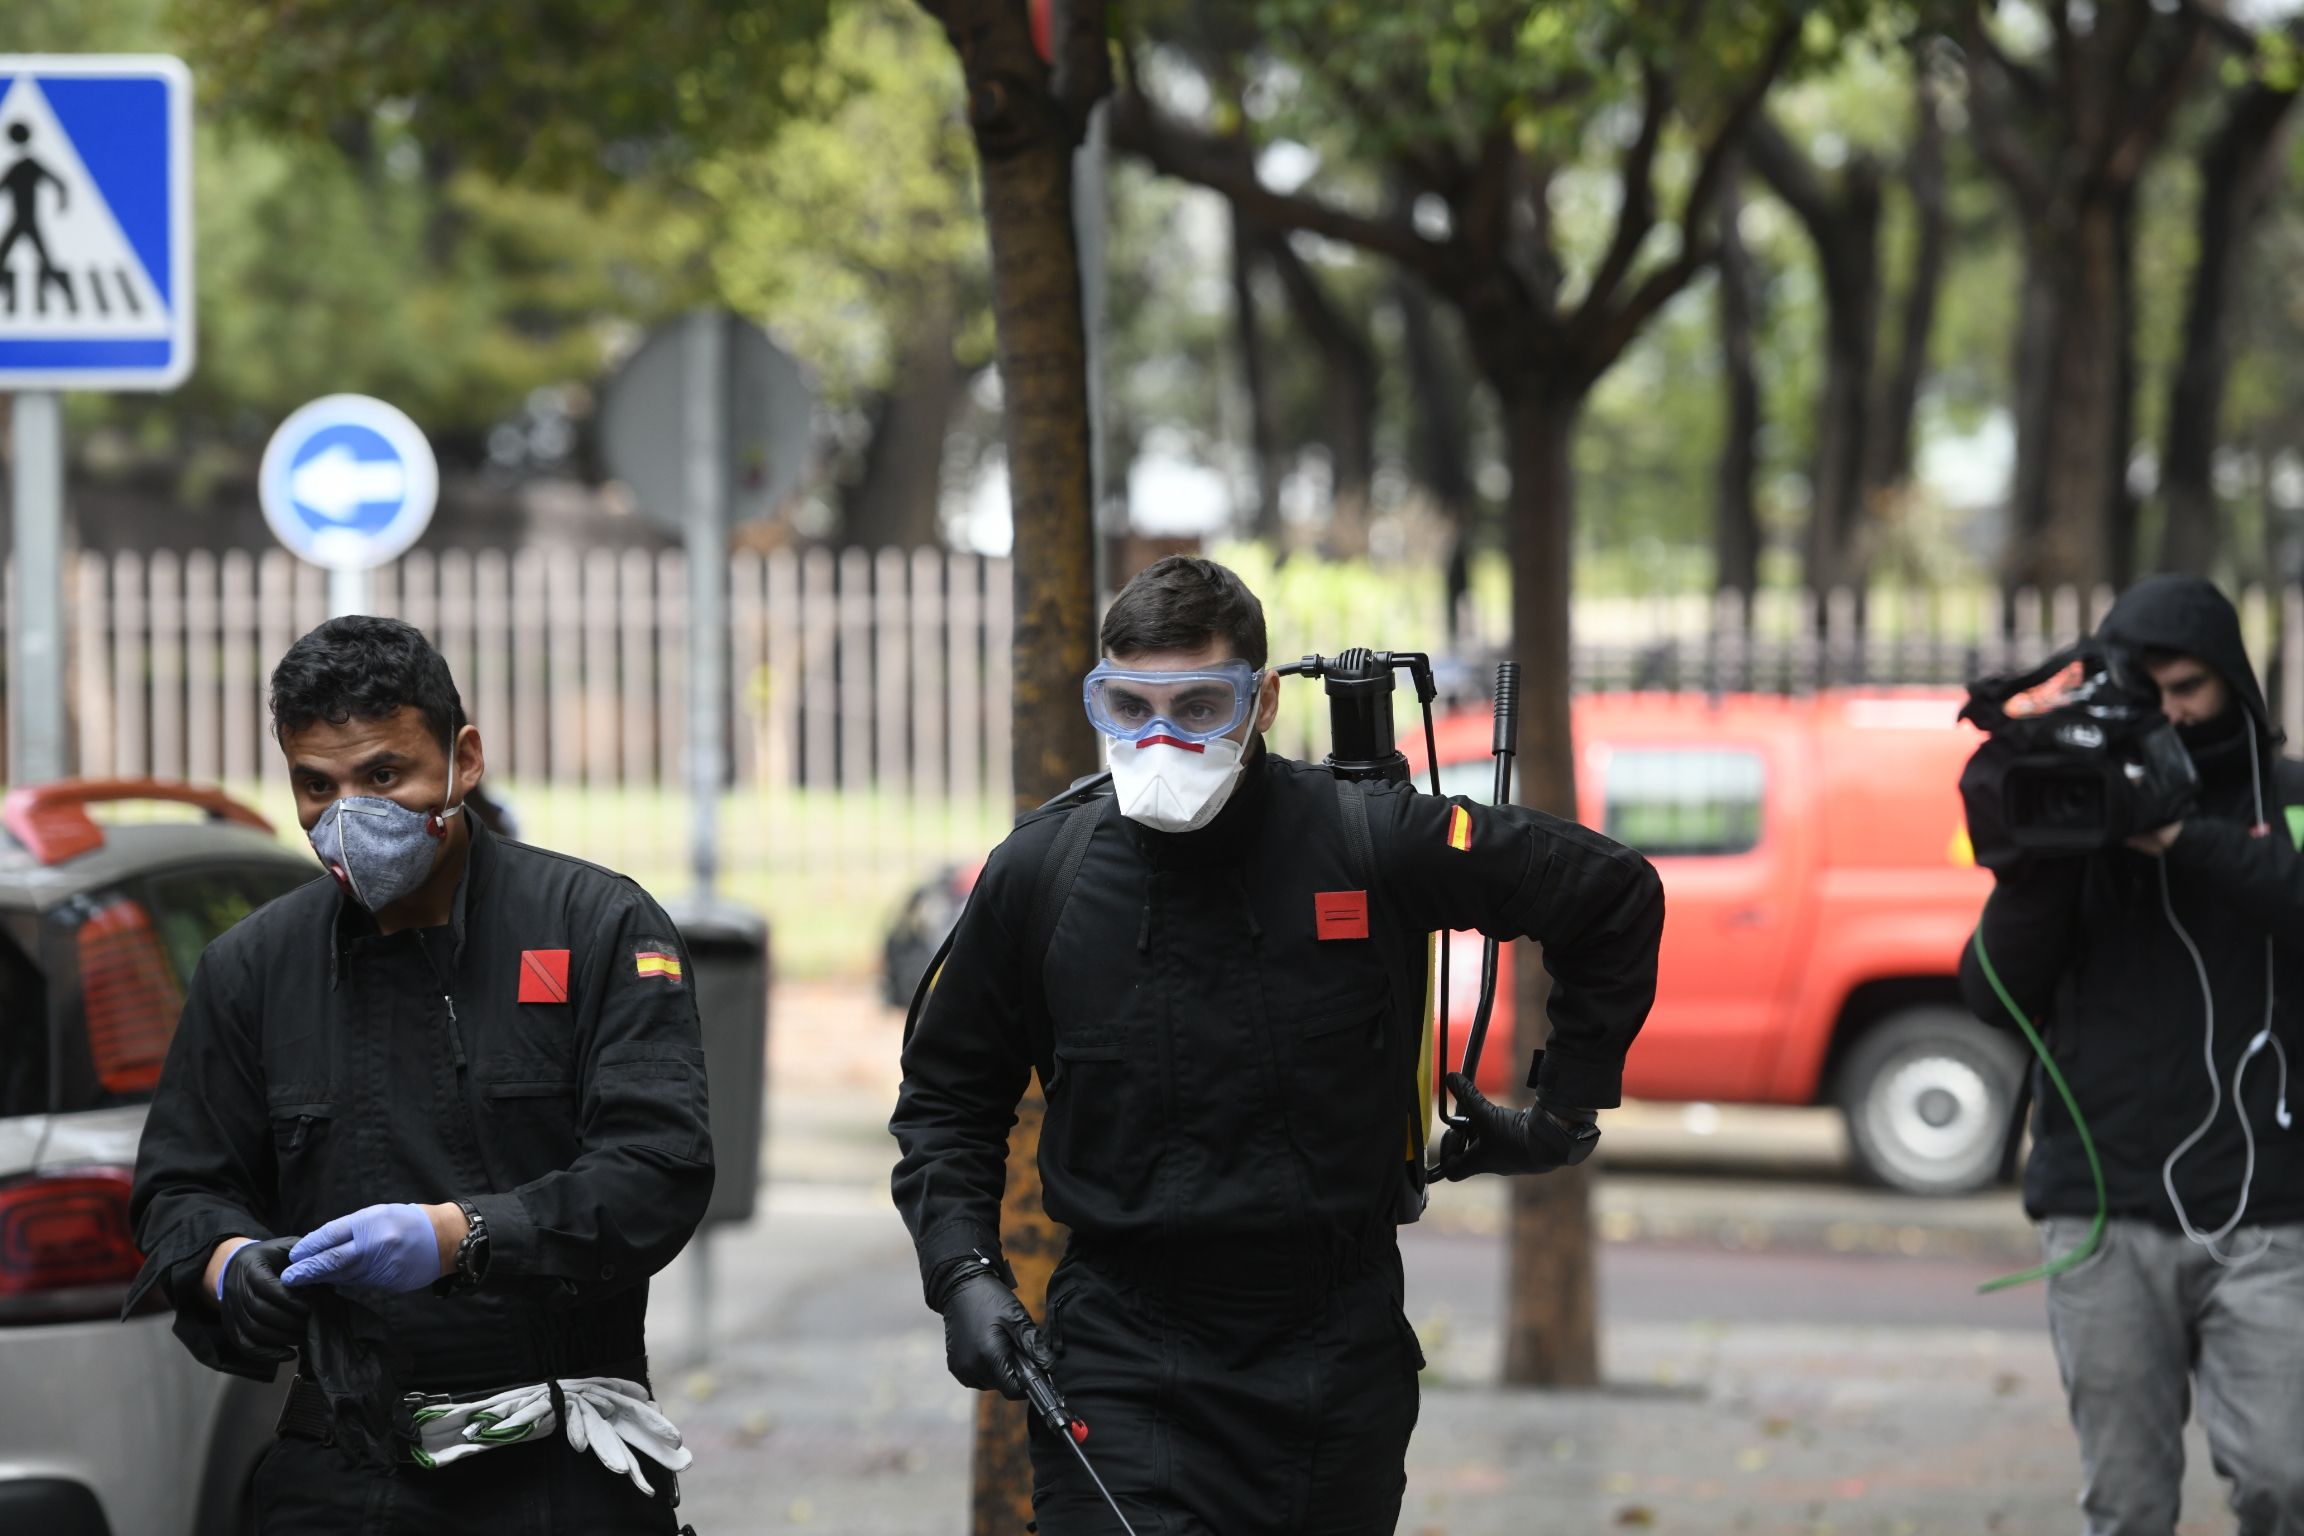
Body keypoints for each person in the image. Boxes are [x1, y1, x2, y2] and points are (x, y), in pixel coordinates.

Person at [889, 555, 1666, 1534]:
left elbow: (1611, 896)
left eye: (1198, 706)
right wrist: (962, 1271)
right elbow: (948, 1098)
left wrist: (1561, 1113)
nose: (1160, 739)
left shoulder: (1370, 841)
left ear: (1261, 701)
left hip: (1331, 1364)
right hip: (1124, 1358)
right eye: (1128, 707)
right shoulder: (1043, 873)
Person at [128, 616, 714, 1535]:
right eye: (316, 786)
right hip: (340, 1464)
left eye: (383, 776)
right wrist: (227, 1263)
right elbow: (179, 1187)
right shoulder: (252, 966)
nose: (348, 814)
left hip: (558, 1461)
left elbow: (657, 1170)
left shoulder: (597, 925)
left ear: (463, 761)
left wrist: (461, 1236)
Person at [1958, 574, 2304, 1536]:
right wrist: (2043, 864)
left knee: (2286, 1481)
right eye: (2149, 694)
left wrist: (2185, 836)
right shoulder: (2077, 812)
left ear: (2234, 681)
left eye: (2189, 689)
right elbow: (1990, 994)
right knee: (2128, 1504)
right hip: (2101, 1209)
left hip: (2268, 1209)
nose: (2172, 714)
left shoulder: (2287, 800)